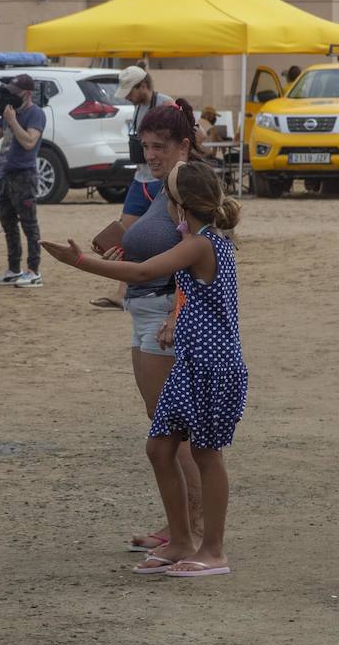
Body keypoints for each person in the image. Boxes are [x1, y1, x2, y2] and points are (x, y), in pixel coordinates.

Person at [41, 160, 246, 577]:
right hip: (193, 360)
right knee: (159, 448)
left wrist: (78, 261)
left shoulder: (204, 242)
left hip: (212, 364)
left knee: (207, 454)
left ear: (179, 205)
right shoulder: (199, 238)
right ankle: (182, 540)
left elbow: (144, 272)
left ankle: (214, 551)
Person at [101, 102, 207, 554]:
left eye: (160, 147)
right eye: (145, 147)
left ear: (184, 145)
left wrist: (176, 314)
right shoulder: (154, 186)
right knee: (163, 425)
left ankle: (193, 530)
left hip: (164, 310)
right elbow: (132, 237)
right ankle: (179, 525)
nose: (151, 155)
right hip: (145, 309)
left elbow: (203, 258)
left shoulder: (190, 189)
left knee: (174, 431)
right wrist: (117, 252)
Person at [91, 64, 172, 311]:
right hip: (140, 178)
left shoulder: (166, 104)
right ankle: (122, 291)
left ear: (143, 86)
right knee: (124, 233)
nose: (126, 96)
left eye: (130, 91)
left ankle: (162, 288)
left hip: (160, 179)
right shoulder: (138, 108)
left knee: (167, 234)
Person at [0, 74, 46, 288]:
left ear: (27, 94)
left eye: (15, 92)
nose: (11, 96)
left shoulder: (35, 114)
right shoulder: (10, 112)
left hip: (24, 175)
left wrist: (12, 120)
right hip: (5, 174)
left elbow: (29, 142)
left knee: (29, 225)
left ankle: (34, 271)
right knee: (8, 224)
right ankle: (14, 269)